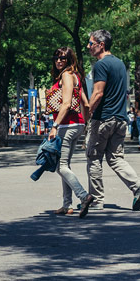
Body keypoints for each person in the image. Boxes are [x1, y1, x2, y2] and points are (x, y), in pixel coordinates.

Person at [83, 29, 140, 211]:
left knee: (94, 156)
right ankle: (137, 186)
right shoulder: (120, 64)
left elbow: (98, 92)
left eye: (91, 43)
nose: (88, 47)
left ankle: (96, 200)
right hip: (120, 118)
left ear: (100, 45)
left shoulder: (101, 65)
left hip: (103, 118)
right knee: (116, 158)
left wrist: (87, 112)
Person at [46, 46, 93, 216]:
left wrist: (54, 126)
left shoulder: (66, 76)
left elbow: (66, 104)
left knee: (61, 167)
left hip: (66, 125)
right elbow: (86, 104)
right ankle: (67, 205)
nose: (59, 61)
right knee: (65, 165)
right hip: (77, 125)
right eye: (57, 58)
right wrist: (85, 124)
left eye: (63, 58)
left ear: (69, 60)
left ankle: (84, 196)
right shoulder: (76, 77)